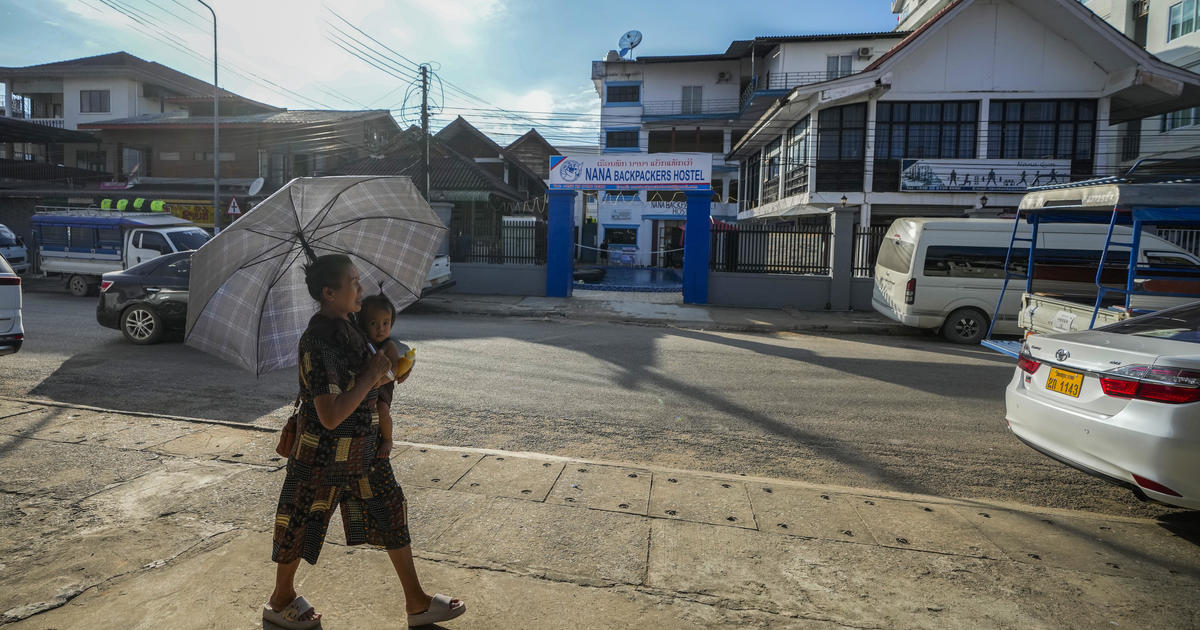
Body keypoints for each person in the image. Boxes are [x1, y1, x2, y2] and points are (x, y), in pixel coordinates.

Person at [264, 254, 465, 630]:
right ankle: (279, 601)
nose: (361, 288)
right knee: (301, 520)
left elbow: (370, 377)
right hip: (322, 453)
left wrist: (391, 371)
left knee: (390, 511)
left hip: (365, 448)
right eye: (353, 282)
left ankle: (416, 602)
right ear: (329, 292)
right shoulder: (318, 342)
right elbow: (330, 414)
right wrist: (372, 373)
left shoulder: (351, 328)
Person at [357, 292, 407, 458]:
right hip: (368, 384)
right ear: (364, 325)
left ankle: (387, 438)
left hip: (383, 386)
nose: (381, 329)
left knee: (382, 409)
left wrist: (379, 380)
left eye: (386, 323)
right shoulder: (365, 343)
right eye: (374, 323)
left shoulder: (389, 345)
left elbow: (394, 371)